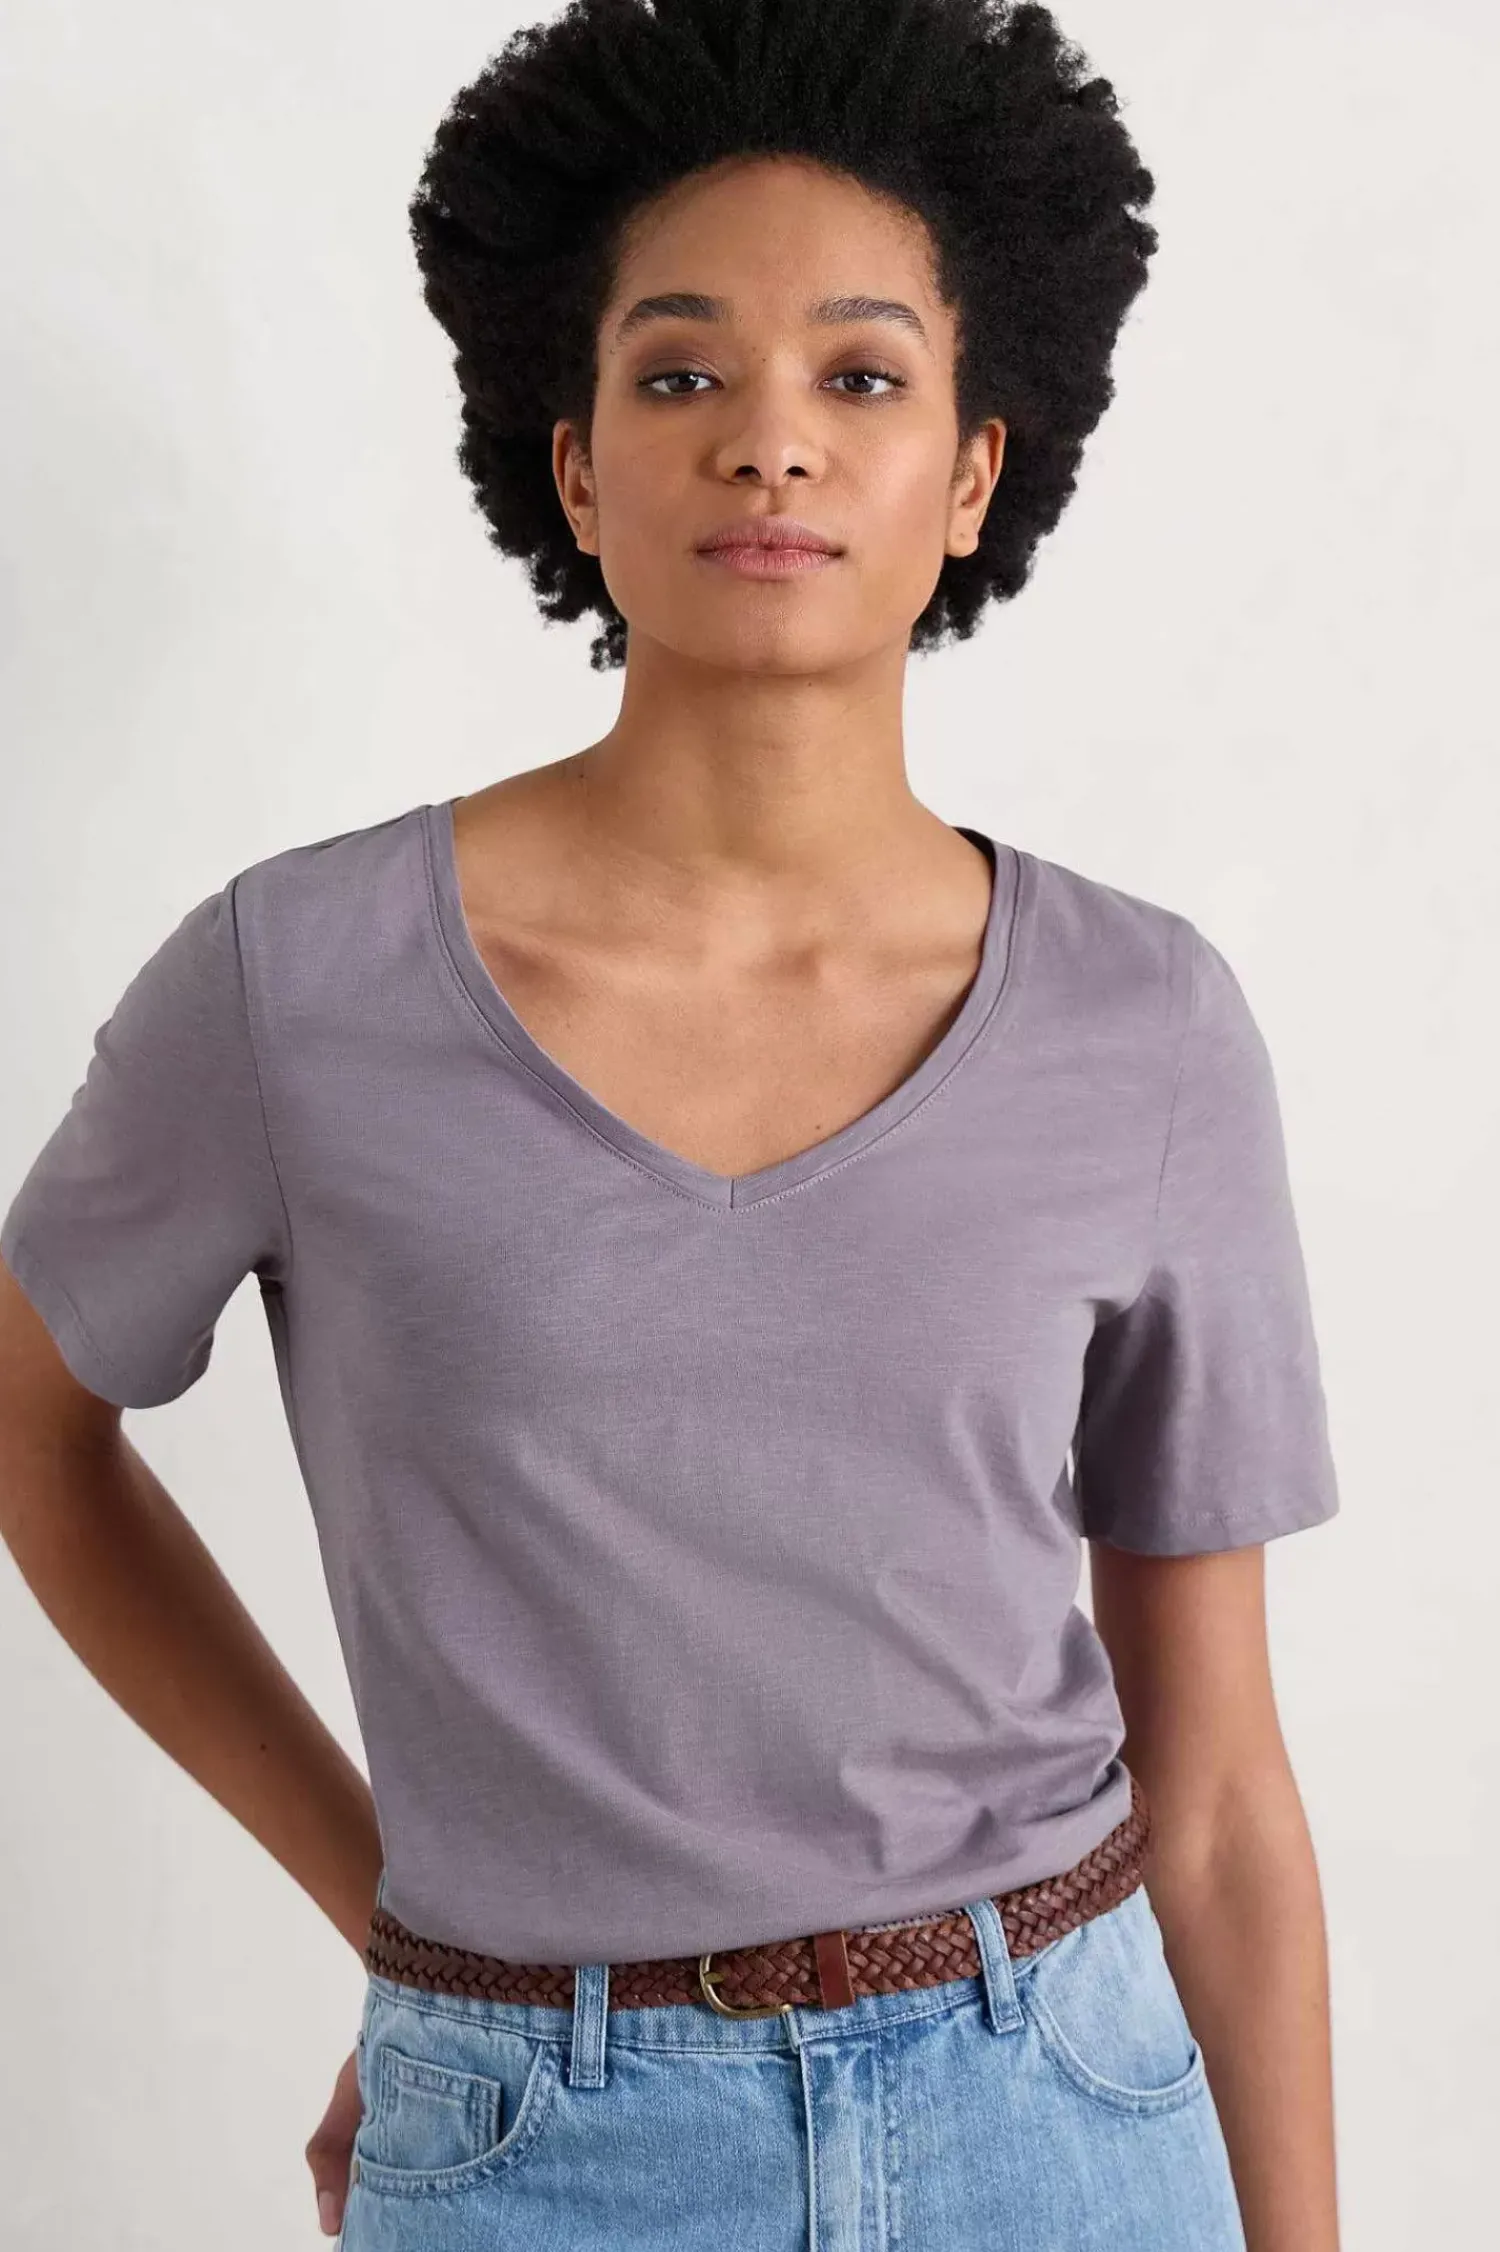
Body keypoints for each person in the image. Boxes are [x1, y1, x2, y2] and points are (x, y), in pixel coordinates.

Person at [0, 3, 1343, 2247]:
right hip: (538, 2144)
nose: (772, 444)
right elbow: (33, 1426)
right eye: (683, 371)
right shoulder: (294, 986)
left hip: (1066, 2119)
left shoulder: (1150, 1025)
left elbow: (1215, 1795)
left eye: (863, 377)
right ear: (577, 466)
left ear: (975, 475)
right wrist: (393, 1913)